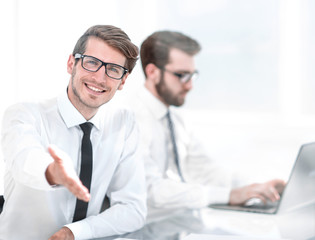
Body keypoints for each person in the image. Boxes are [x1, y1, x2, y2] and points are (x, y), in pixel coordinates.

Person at [0, 25, 147, 240]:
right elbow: (24, 159)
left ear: (123, 81)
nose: (100, 78)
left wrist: (75, 232)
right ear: (72, 63)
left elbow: (133, 209)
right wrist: (52, 172)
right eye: (92, 63)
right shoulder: (25, 114)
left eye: (113, 69)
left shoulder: (123, 124)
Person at [125, 30, 285, 220]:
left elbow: (205, 171)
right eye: (181, 75)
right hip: (147, 227)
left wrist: (257, 186)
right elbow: (151, 190)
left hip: (182, 220)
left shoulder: (175, 118)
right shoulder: (130, 119)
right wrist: (230, 196)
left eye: (193, 75)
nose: (189, 85)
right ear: (152, 72)